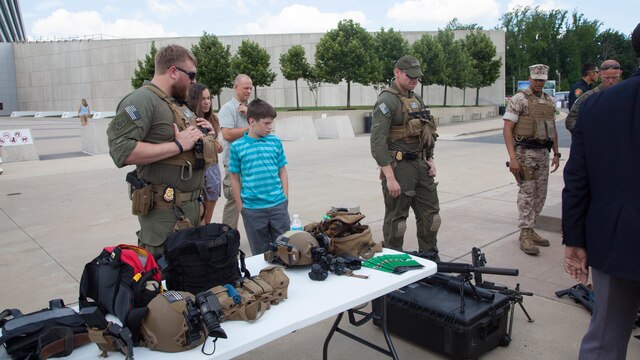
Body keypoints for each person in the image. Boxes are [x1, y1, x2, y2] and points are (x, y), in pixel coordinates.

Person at [563, 23, 640, 360]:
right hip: (616, 241)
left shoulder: (598, 106)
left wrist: (575, 239)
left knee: (605, 338)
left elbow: (578, 178)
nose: (607, 75)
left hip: (614, 239)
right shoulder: (586, 98)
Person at [107, 44, 215, 254]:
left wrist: (207, 135)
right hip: (165, 216)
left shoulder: (177, 104)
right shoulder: (142, 101)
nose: (194, 82)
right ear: (173, 71)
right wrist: (177, 145)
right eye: (191, 75)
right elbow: (121, 150)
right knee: (166, 278)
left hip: (190, 209)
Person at [370, 55, 441, 259]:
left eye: (417, 77)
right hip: (399, 168)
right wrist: (390, 177)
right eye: (410, 76)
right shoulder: (386, 100)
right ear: (397, 72)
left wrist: (430, 159)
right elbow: (377, 143)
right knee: (397, 220)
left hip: (421, 165)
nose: (414, 80)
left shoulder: (416, 99)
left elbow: (426, 132)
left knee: (432, 216)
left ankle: (429, 256)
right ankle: (394, 259)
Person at [503, 64, 560, 256]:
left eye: (542, 80)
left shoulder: (549, 101)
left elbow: (553, 129)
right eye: (536, 79)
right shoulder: (520, 99)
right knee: (527, 192)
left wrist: (556, 153)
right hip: (524, 153)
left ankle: (531, 227)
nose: (539, 83)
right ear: (530, 78)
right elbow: (507, 128)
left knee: (540, 193)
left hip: (543, 153)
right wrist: (512, 157)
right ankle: (525, 232)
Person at [228, 98, 289, 255]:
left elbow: (282, 171)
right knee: (260, 256)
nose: (270, 127)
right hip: (253, 211)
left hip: (278, 207)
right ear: (252, 121)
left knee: (285, 252)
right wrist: (242, 208)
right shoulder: (237, 147)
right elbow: (234, 178)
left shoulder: (275, 142)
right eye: (266, 123)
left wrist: (285, 199)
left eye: (271, 123)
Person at [219, 74, 253, 229]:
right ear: (235, 86)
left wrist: (251, 115)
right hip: (234, 163)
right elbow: (227, 134)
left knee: (252, 197)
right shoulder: (227, 109)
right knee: (234, 199)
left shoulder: (251, 109)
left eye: (251, 88)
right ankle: (228, 236)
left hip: (252, 161)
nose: (249, 91)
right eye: (245, 88)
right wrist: (250, 126)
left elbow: (267, 124)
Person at [187, 83, 224, 224]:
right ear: (194, 99)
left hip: (212, 170)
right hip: (197, 170)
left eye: (209, 98)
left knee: (207, 219)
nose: (207, 102)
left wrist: (211, 134)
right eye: (203, 99)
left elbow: (219, 149)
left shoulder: (212, 119)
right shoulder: (188, 120)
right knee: (198, 216)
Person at [565, 59, 623, 133]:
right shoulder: (588, 96)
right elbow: (571, 119)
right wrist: (584, 134)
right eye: (607, 78)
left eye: (615, 78)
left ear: (620, 73)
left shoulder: (627, 94)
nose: (611, 81)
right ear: (600, 74)